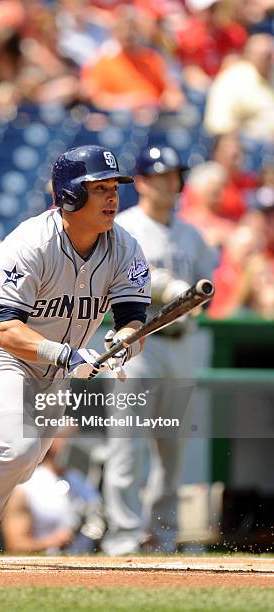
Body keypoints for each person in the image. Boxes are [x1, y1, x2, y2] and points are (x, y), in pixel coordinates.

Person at [0, 144, 151, 568]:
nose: (113, 197)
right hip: (1, 352)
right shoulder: (29, 242)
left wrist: (123, 343)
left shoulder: (125, 246)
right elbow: (5, 329)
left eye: (115, 187)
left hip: (57, 362)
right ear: (70, 195)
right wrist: (68, 355)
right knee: (15, 450)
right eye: (100, 188)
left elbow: (133, 318)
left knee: (23, 465)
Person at [102, 145, 217, 555]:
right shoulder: (124, 227)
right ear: (145, 181)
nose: (173, 182)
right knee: (127, 443)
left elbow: (209, 280)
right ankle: (124, 537)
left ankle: (161, 536)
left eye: (176, 174)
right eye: (164, 174)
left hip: (181, 344)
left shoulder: (190, 232)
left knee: (173, 449)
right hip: (139, 343)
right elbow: (127, 279)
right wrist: (168, 287)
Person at [2, 436, 101, 554]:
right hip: (48, 565)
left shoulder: (83, 482)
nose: (69, 442)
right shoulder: (26, 486)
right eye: (63, 436)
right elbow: (15, 544)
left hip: (90, 563)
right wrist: (51, 542)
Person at [204, 33, 274, 141]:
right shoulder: (232, 79)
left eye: (270, 55)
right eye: (265, 56)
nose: (269, 60)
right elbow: (218, 124)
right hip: (249, 147)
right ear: (248, 55)